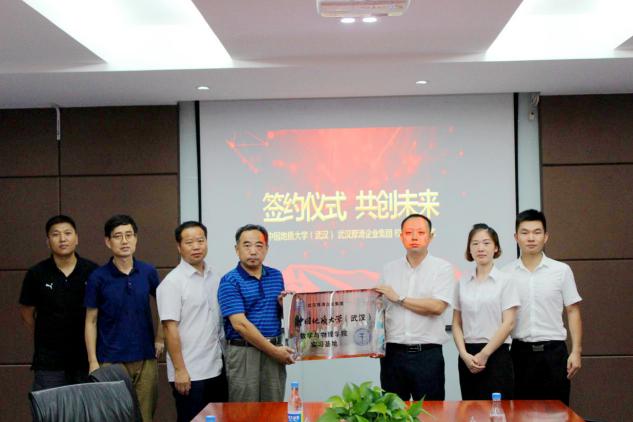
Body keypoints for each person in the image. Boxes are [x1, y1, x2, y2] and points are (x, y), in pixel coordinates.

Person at [84, 214, 164, 422]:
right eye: (118, 236)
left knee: (145, 416)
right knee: (114, 417)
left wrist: (160, 338)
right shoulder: (98, 277)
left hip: (145, 358)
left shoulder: (148, 271)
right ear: (108, 242)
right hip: (110, 360)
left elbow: (165, 306)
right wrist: (93, 361)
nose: (124, 241)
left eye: (129, 235)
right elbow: (91, 321)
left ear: (136, 239)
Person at [503, 209, 582, 405]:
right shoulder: (505, 274)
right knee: (520, 413)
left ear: (545, 237)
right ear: (516, 237)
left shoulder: (561, 271)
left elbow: (573, 311)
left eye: (537, 232)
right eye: (525, 232)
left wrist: (576, 351)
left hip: (554, 353)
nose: (531, 238)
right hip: (520, 354)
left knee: (557, 413)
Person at [375, 213, 454, 401]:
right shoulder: (389, 269)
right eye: (409, 233)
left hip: (427, 355)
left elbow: (437, 306)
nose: (414, 237)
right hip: (393, 355)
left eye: (421, 232)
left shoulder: (442, 268)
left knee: (431, 412)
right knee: (392, 412)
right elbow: (381, 310)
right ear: (401, 237)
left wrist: (400, 298)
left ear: (431, 237)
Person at [157, 221, 227, 422]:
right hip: (190, 372)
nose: (196, 246)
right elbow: (169, 328)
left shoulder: (215, 276)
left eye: (200, 241)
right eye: (189, 242)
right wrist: (180, 370)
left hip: (217, 368)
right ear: (179, 247)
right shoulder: (172, 283)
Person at [18, 215, 98, 391]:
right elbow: (27, 312)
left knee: (85, 407)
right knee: (49, 407)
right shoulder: (36, 273)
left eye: (67, 233)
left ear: (77, 238)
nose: (62, 239)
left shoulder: (93, 271)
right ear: (48, 241)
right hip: (49, 362)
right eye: (56, 234)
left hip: (85, 359)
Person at [217, 224, 294, 402]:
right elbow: (240, 325)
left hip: (274, 348)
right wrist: (274, 352)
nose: (253, 251)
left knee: (273, 407)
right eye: (247, 245)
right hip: (244, 352)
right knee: (245, 410)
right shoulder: (230, 281)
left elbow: (279, 315)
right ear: (237, 249)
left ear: (266, 249)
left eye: (259, 246)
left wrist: (284, 306)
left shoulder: (276, 276)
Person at [452, 223, 519, 400]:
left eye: (486, 243)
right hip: (468, 356)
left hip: (496, 354)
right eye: (475, 243)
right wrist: (463, 354)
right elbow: (456, 323)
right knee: (470, 409)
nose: (480, 248)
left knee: (499, 410)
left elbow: (509, 323)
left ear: (496, 248)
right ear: (469, 249)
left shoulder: (506, 281)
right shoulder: (462, 282)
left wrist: (485, 354)